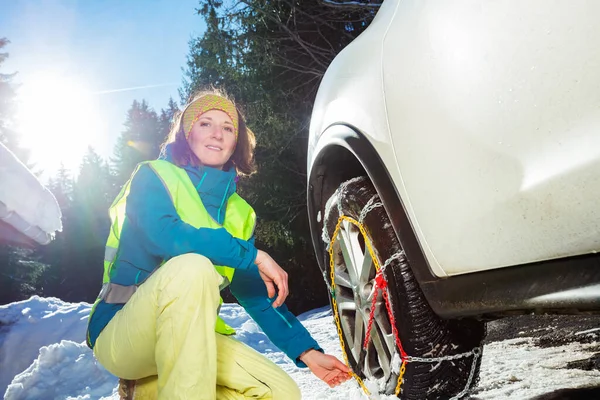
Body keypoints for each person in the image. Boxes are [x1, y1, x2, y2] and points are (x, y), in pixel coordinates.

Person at [86, 90, 351, 399]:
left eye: (228, 127)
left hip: (190, 337)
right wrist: (250, 254)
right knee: (191, 266)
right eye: (205, 123)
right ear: (187, 134)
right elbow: (165, 234)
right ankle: (144, 381)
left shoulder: (239, 214)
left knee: (281, 393)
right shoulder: (153, 176)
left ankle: (149, 390)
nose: (217, 134)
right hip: (122, 329)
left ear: (236, 142)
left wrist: (306, 351)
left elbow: (257, 298)